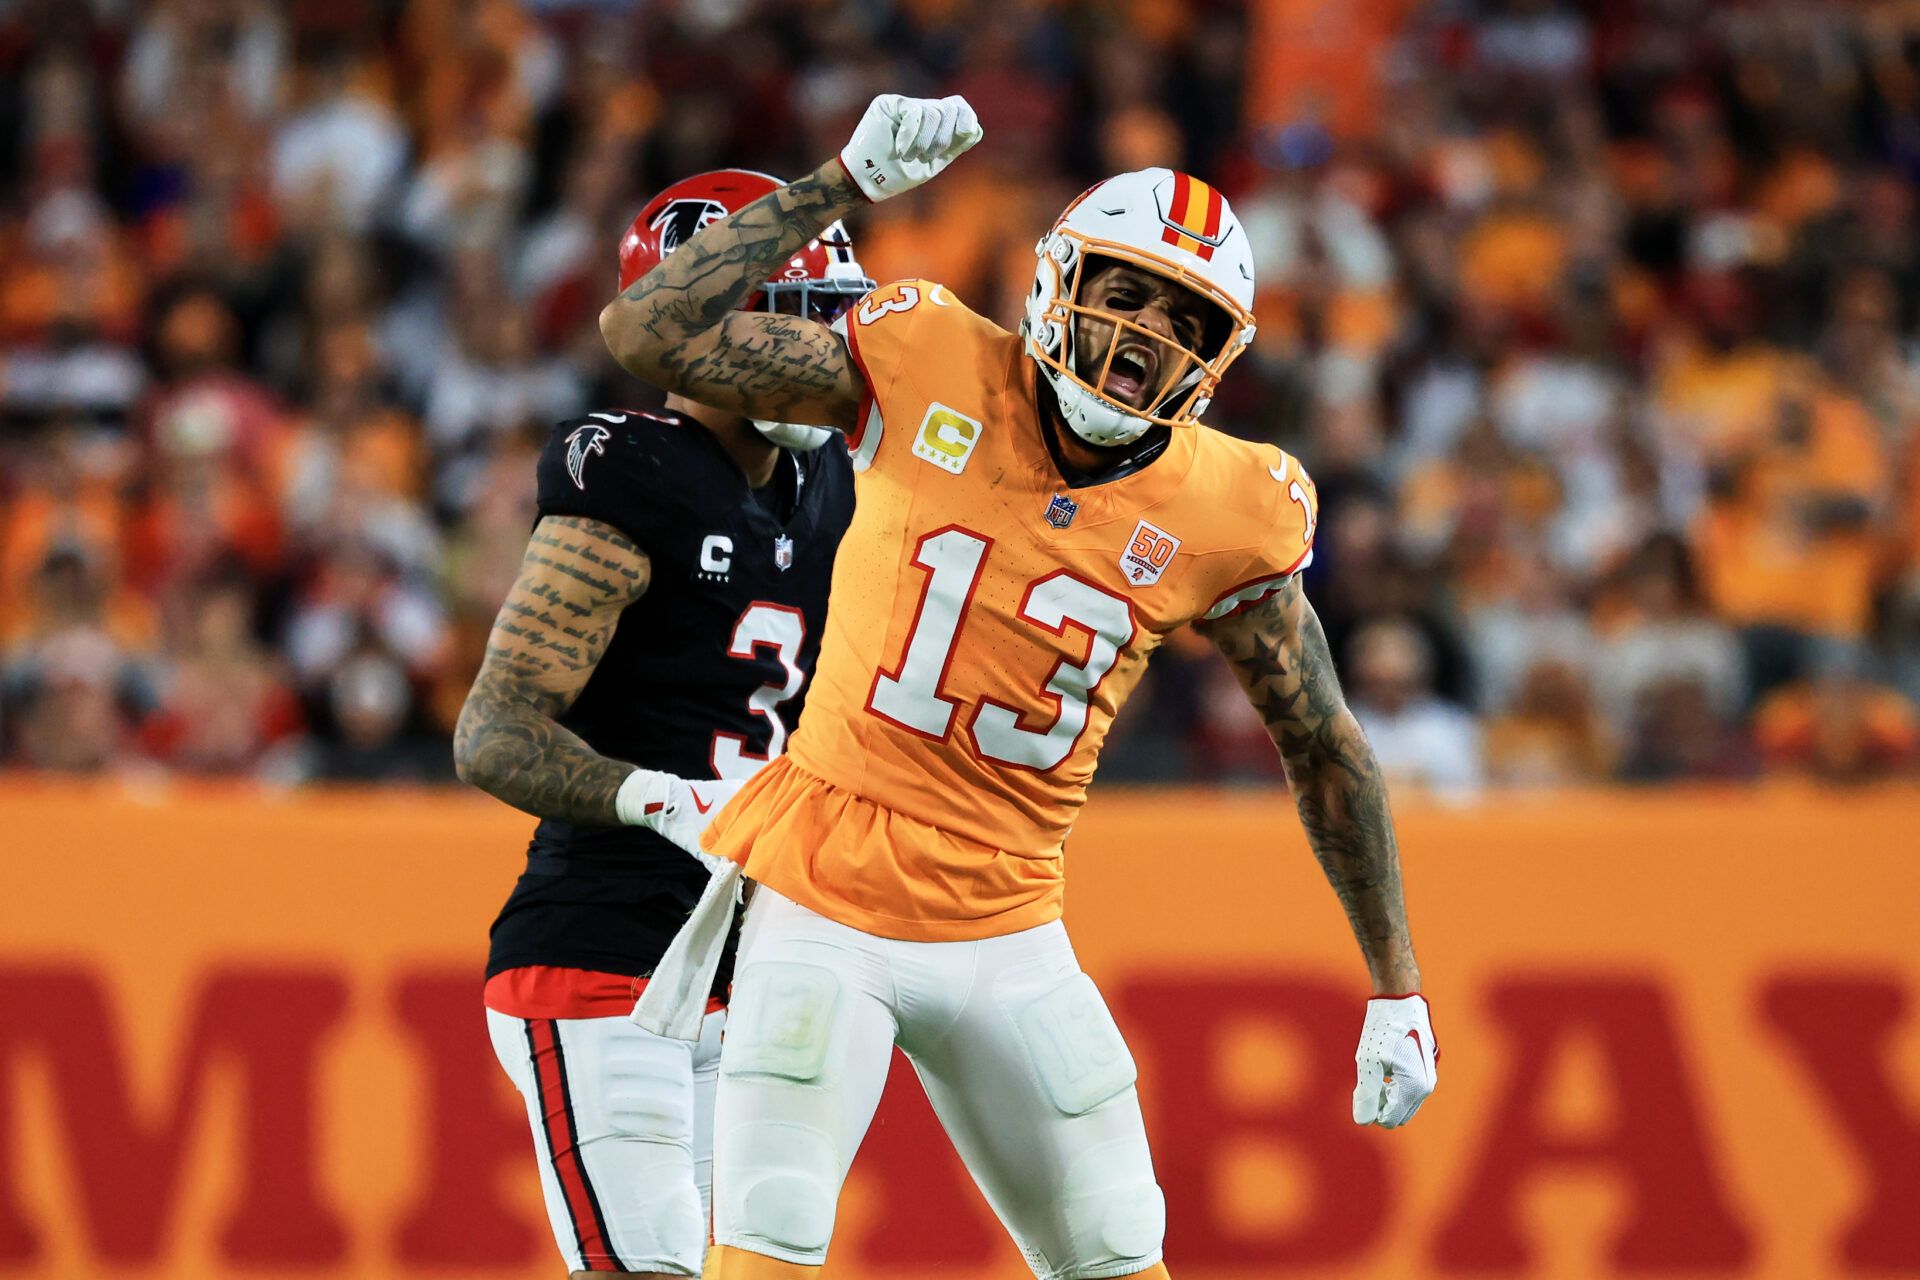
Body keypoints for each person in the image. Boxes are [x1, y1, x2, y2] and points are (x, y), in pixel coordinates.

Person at [601, 96, 1437, 1280]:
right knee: (769, 1238)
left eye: (1185, 315)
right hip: (824, 892)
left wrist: (1397, 984)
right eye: (1129, 289)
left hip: (1010, 921)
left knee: (1113, 1251)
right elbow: (648, 334)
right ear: (1058, 277)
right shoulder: (925, 354)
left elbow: (1324, 741)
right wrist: (838, 181)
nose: (1148, 330)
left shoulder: (1233, 506)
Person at [453, 169, 867, 1278]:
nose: (822, 355)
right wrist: (660, 797)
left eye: (832, 323)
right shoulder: (635, 471)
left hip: (751, 967)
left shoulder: (829, 488)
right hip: (606, 959)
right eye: (794, 324)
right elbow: (493, 729)